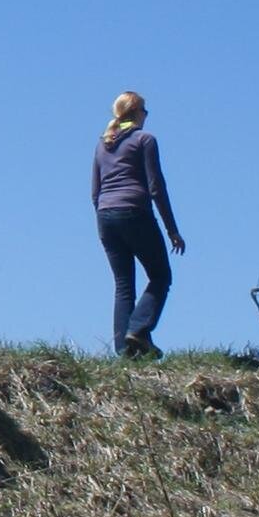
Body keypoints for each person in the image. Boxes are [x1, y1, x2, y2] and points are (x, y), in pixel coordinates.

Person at [92, 91, 186, 359]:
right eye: (145, 110)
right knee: (161, 276)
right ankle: (139, 330)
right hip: (134, 213)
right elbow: (156, 188)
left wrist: (105, 216)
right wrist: (172, 230)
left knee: (123, 286)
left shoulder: (102, 144)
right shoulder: (145, 140)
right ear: (136, 112)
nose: (147, 115)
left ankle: (125, 353)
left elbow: (94, 192)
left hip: (105, 216)